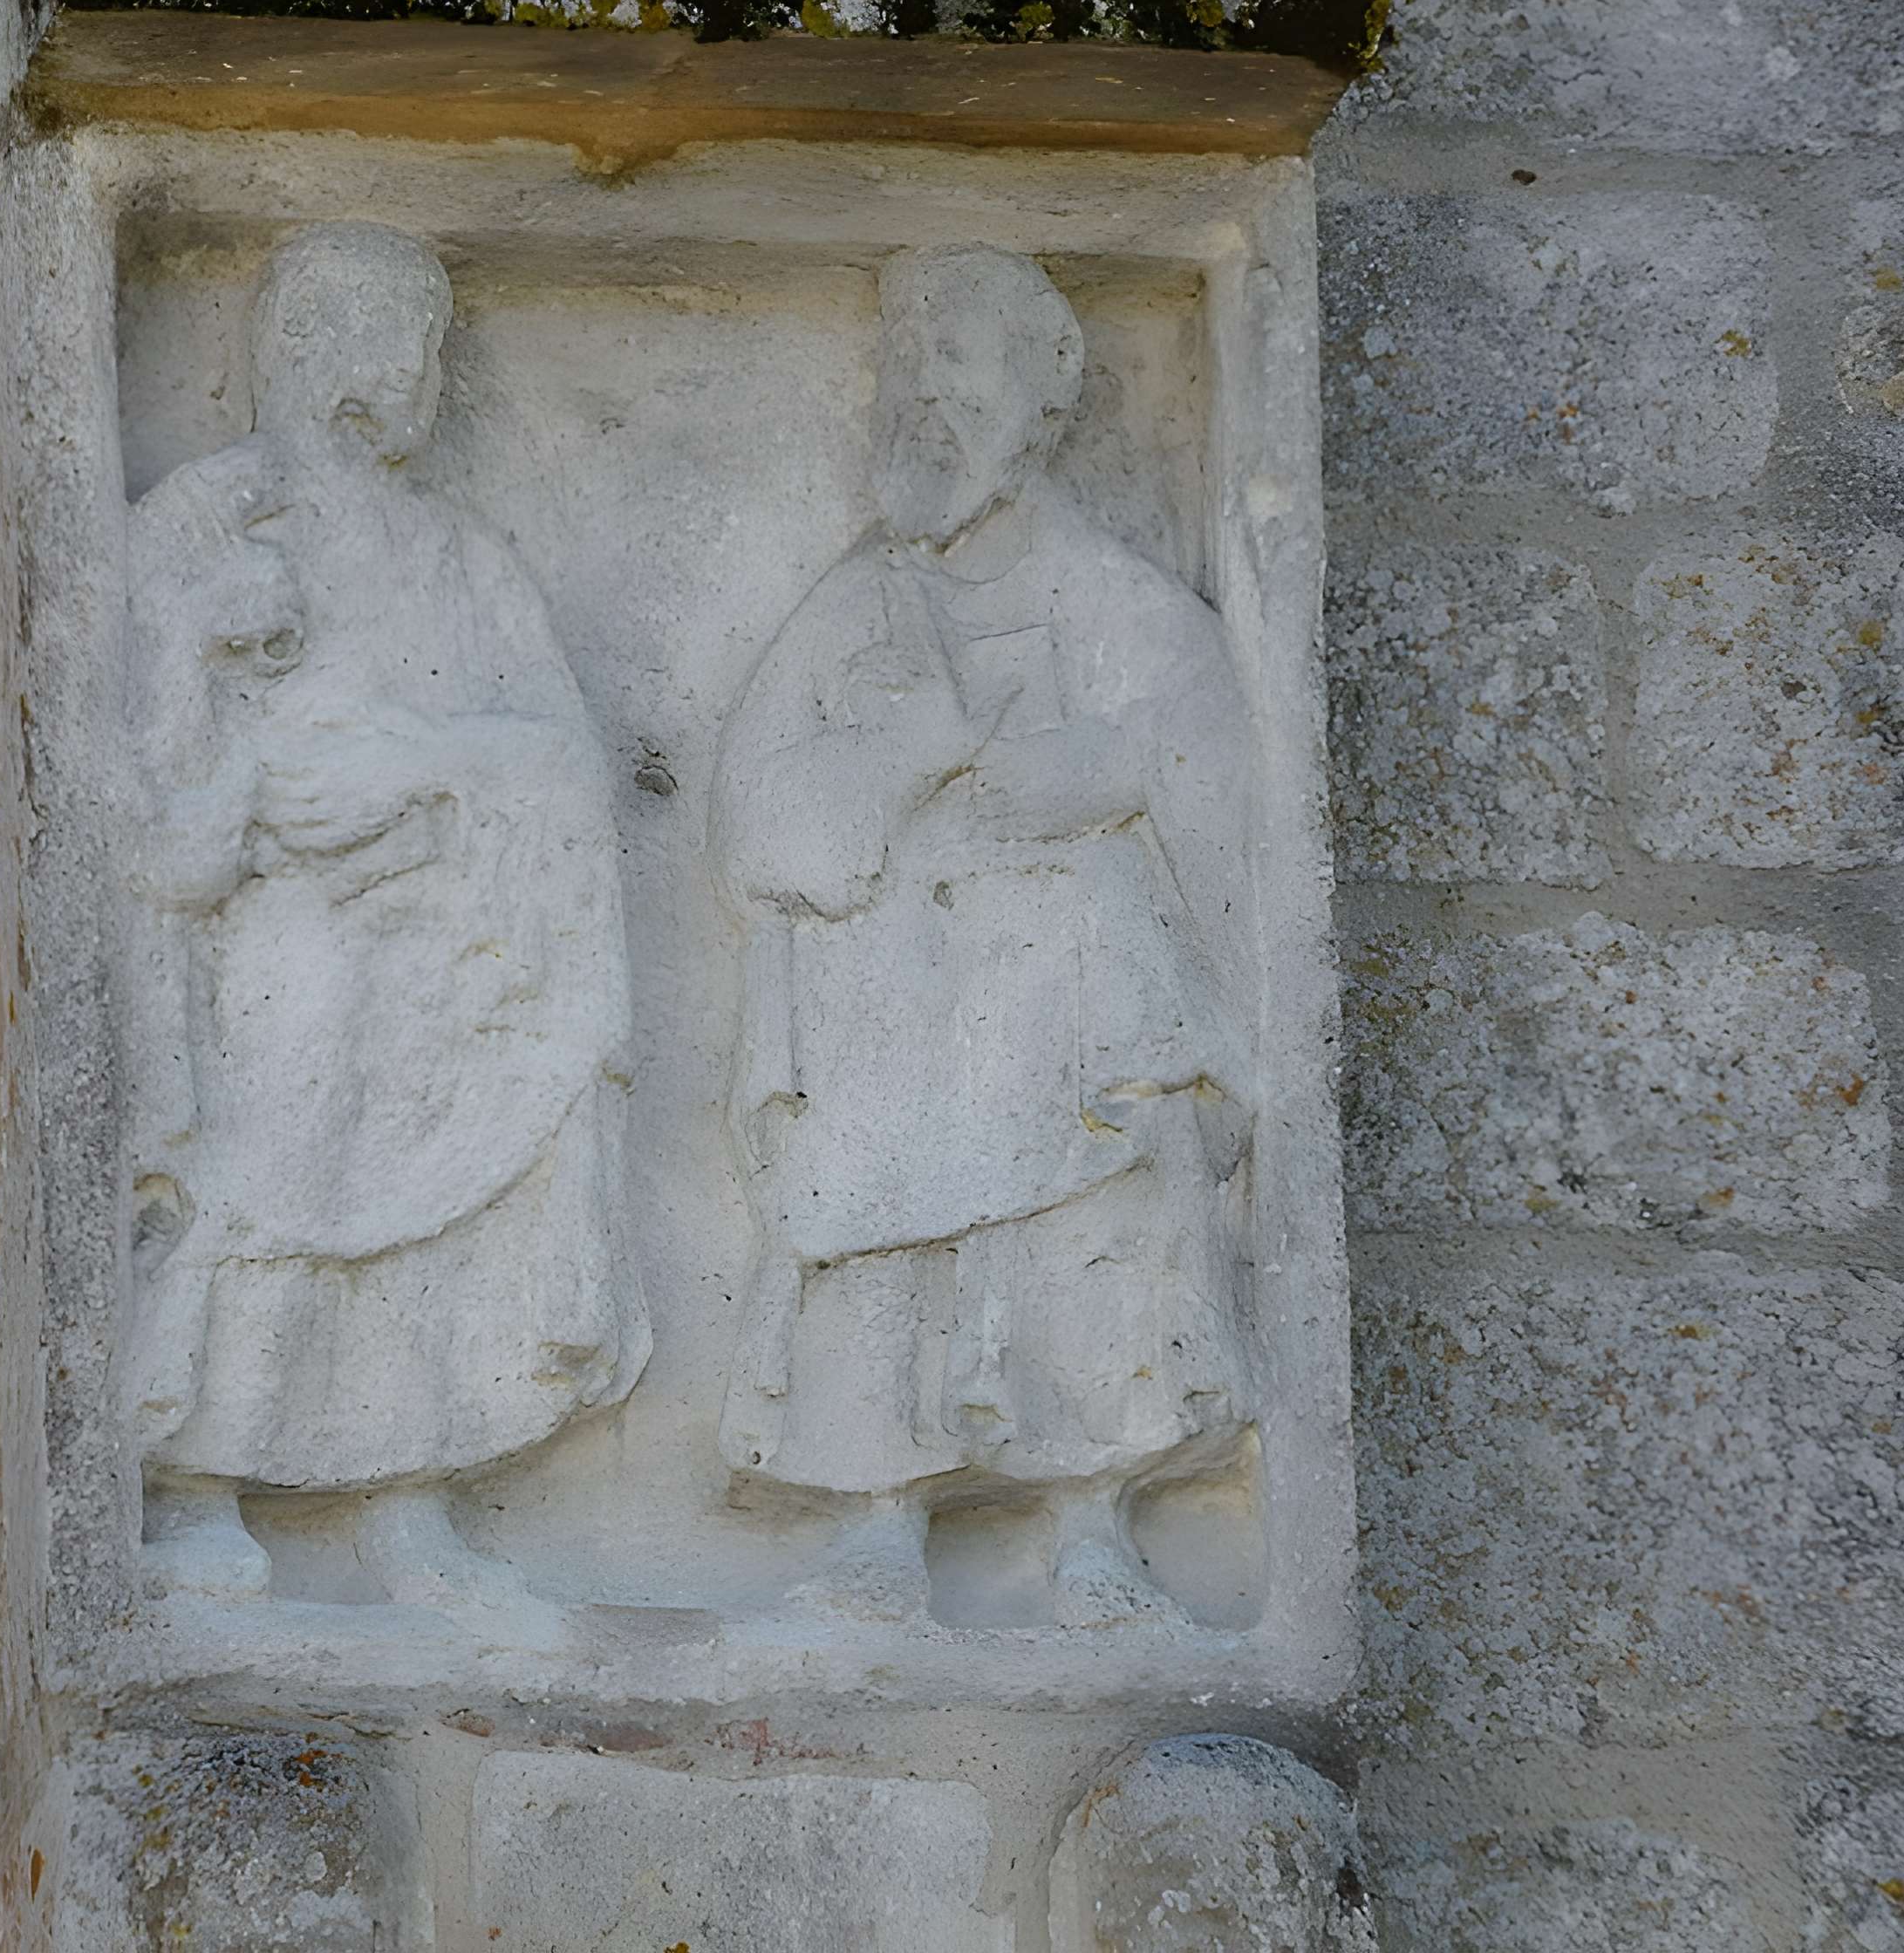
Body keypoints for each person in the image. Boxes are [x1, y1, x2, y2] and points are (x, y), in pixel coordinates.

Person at [711, 244, 1259, 1622]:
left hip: (1070, 1011)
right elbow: (752, 819)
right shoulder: (853, 612)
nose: (924, 400)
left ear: (1047, 401)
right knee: (878, 1201)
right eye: (909, 368)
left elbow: (1222, 796)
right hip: (889, 1011)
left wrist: (1124, 772)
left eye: (959, 364)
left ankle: (1090, 1531)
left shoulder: (1128, 610)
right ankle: (877, 1535)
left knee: (1106, 1174)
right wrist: (895, 763)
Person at [119, 222, 645, 1621]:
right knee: (280, 1164)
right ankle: (197, 1482)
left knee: (440, 1184)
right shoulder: (211, 520)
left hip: (440, 931)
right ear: (296, 350)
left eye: (418, 346)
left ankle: (409, 1497)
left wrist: (423, 754)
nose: (403, 374)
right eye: (378, 339)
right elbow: (128, 724)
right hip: (278, 920)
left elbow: (556, 754)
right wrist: (223, 703)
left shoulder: (456, 554)